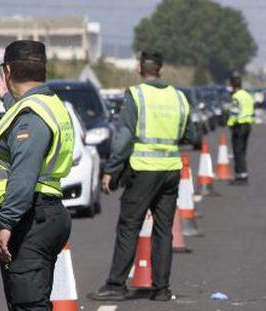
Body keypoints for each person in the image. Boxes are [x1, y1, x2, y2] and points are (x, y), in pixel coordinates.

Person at [88, 51, 195, 302]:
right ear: (160, 69)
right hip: (170, 169)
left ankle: (116, 285)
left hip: (144, 170)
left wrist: (112, 170)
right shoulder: (178, 97)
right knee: (163, 230)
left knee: (129, 226)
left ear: (139, 68)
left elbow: (124, 137)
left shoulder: (136, 95)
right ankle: (161, 289)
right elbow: (189, 135)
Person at [0, 40, 75, 311]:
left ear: (8, 71)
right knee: (34, 301)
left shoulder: (32, 116)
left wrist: (6, 223)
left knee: (28, 306)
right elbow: (27, 121)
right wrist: (7, 99)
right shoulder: (48, 104)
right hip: (48, 212)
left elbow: (23, 175)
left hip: (31, 219)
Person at [227, 72, 255, 185]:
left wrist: (230, 124)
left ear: (233, 84)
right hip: (248, 125)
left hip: (239, 126)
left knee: (237, 152)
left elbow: (234, 113)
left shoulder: (236, 96)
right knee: (242, 151)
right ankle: (241, 174)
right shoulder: (248, 95)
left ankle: (241, 176)